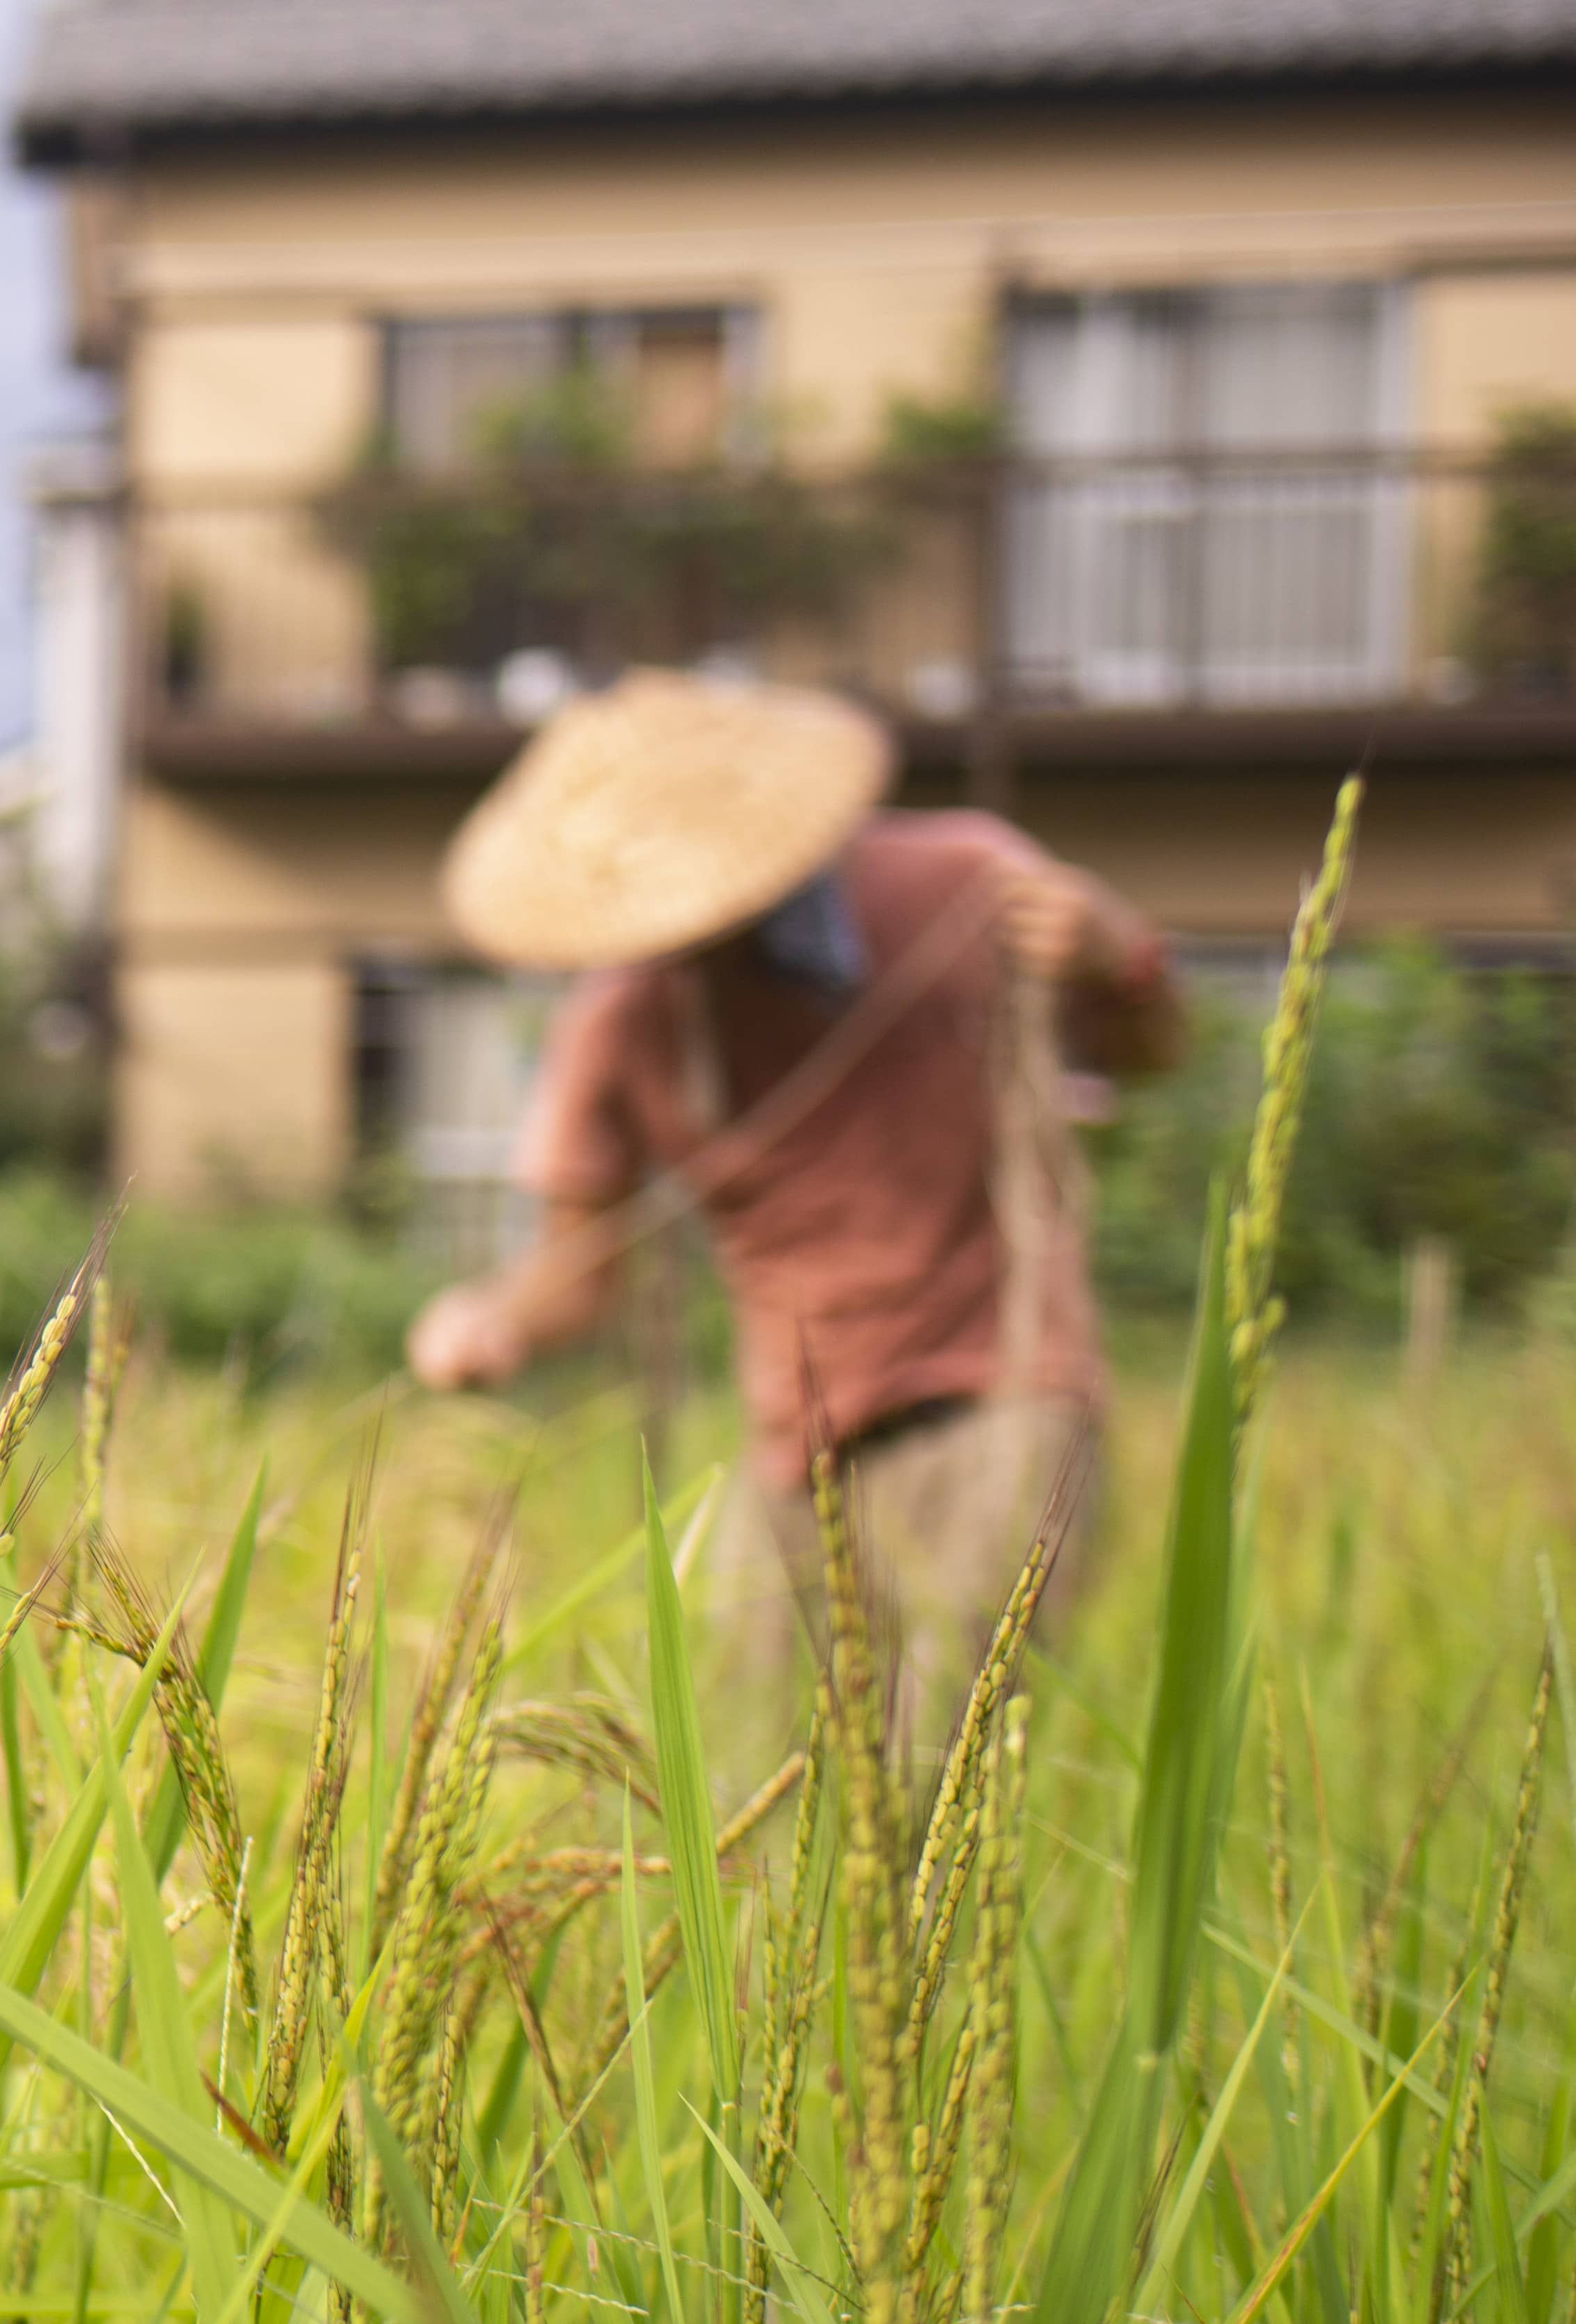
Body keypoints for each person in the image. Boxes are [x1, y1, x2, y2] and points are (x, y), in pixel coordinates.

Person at [401, 671, 1189, 1741]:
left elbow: (1150, 1054)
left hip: (1008, 1387)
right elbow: (576, 1276)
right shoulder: (624, 1024)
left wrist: (1121, 956)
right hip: (799, 1446)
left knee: (939, 1781)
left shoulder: (969, 881)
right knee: (762, 1788)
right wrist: (491, 1319)